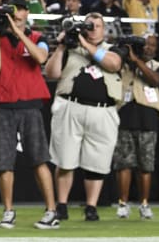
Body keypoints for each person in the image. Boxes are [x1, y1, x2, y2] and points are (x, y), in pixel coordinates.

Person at [44, 12, 125, 222]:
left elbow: (113, 64)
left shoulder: (113, 49)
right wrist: (61, 46)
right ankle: (61, 205)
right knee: (65, 158)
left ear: (104, 29)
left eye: (97, 25)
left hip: (103, 110)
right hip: (71, 106)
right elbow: (51, 73)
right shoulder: (70, 49)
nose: (93, 29)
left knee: (97, 162)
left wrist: (81, 41)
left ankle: (91, 206)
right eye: (89, 25)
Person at [0, 0, 59, 229]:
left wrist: (19, 32)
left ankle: (51, 211)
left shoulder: (38, 37)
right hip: (3, 106)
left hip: (30, 104)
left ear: (27, 13)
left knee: (40, 159)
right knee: (3, 162)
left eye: (18, 12)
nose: (13, 16)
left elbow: (41, 58)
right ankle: (8, 211)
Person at [112, 34, 159, 220]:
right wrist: (127, 56)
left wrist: (138, 62)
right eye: (145, 45)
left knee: (146, 165)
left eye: (152, 45)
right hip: (125, 115)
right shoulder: (122, 65)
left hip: (148, 118)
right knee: (123, 164)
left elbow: (156, 81)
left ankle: (144, 204)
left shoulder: (157, 66)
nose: (149, 48)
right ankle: (123, 203)